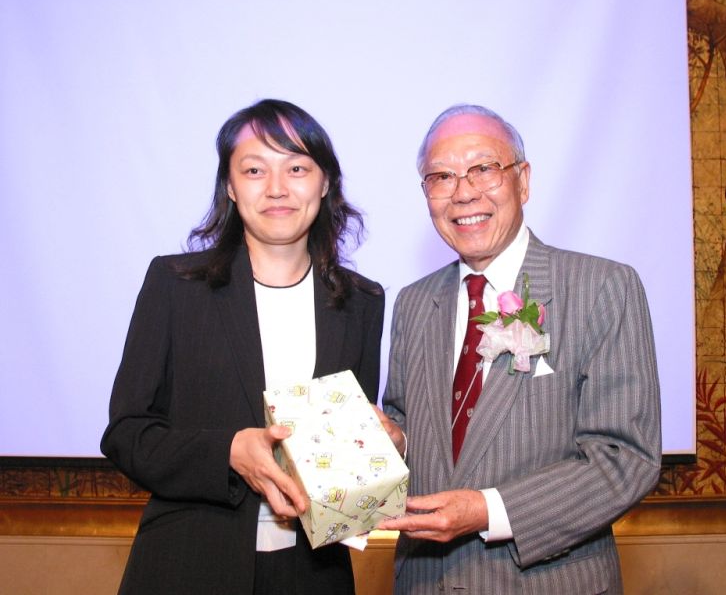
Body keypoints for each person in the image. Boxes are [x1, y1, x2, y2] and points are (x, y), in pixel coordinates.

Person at [101, 99, 385, 595]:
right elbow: (127, 434)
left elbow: (347, 448)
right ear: (230, 187)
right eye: (254, 170)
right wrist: (228, 452)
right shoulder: (175, 285)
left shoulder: (361, 301)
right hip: (187, 567)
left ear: (324, 183)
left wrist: (382, 446)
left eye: (297, 168)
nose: (276, 188)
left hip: (314, 575)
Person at [377, 104, 661, 594]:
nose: (463, 192)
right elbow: (410, 423)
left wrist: (488, 510)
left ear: (523, 181)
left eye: (483, 169)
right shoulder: (414, 302)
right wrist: (395, 441)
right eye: (441, 177)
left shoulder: (602, 287)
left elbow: (625, 458)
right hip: (426, 580)